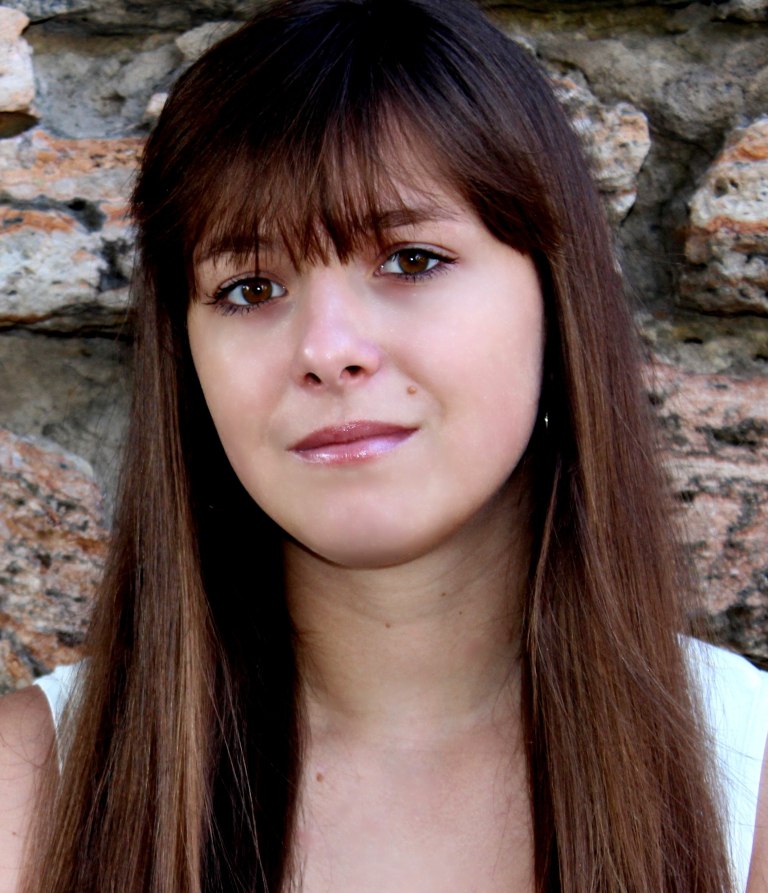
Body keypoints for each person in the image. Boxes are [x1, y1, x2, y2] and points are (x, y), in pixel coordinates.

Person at [0, 0, 766, 890]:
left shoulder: (744, 786)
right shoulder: (25, 798)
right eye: (250, 288)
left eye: (410, 259)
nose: (328, 349)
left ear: (556, 302)